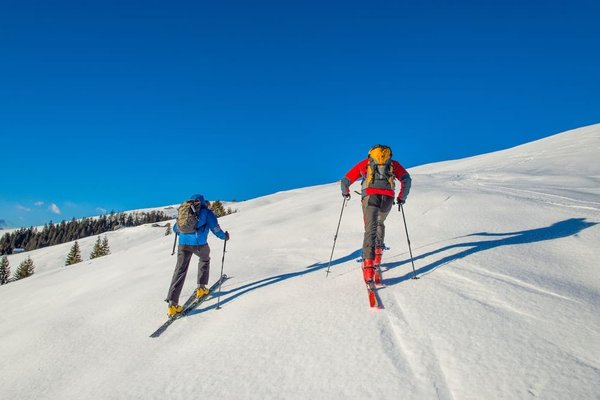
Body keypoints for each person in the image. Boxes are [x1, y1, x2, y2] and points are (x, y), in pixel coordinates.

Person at [340, 144, 411, 283]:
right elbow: (407, 180)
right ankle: (378, 255)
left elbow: (345, 180)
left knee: (370, 228)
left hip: (370, 197)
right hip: (388, 198)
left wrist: (345, 192)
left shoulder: (366, 164)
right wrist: (402, 197)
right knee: (380, 223)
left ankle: (368, 265)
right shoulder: (393, 164)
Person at [165, 194, 229, 317]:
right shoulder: (206, 212)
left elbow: (175, 229)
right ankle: (201, 288)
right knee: (205, 259)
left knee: (180, 270)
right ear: (204, 202)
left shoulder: (185, 210)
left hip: (183, 245)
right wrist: (224, 237)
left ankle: (172, 306)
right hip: (199, 244)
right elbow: (215, 229)